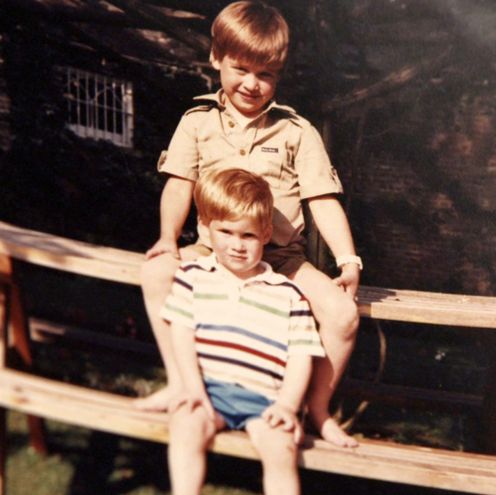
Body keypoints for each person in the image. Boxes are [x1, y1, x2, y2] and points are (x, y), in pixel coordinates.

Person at [136, 0, 361, 448]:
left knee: (343, 315)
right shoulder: (198, 123)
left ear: (279, 74)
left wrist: (348, 260)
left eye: (266, 74)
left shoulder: (297, 131)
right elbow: (179, 186)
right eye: (241, 69)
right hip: (214, 253)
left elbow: (323, 199)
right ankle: (183, 384)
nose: (252, 85)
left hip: (281, 259)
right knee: (156, 272)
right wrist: (166, 239)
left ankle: (315, 410)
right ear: (216, 58)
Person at [164, 168, 324, 495]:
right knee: (185, 428)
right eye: (226, 232)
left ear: (266, 235)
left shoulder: (288, 294)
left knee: (281, 450)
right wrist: (193, 389)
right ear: (206, 230)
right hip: (210, 391)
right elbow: (180, 334)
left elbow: (300, 357)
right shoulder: (193, 276)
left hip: (265, 400)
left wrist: (287, 406)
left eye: (248, 235)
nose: (237, 245)